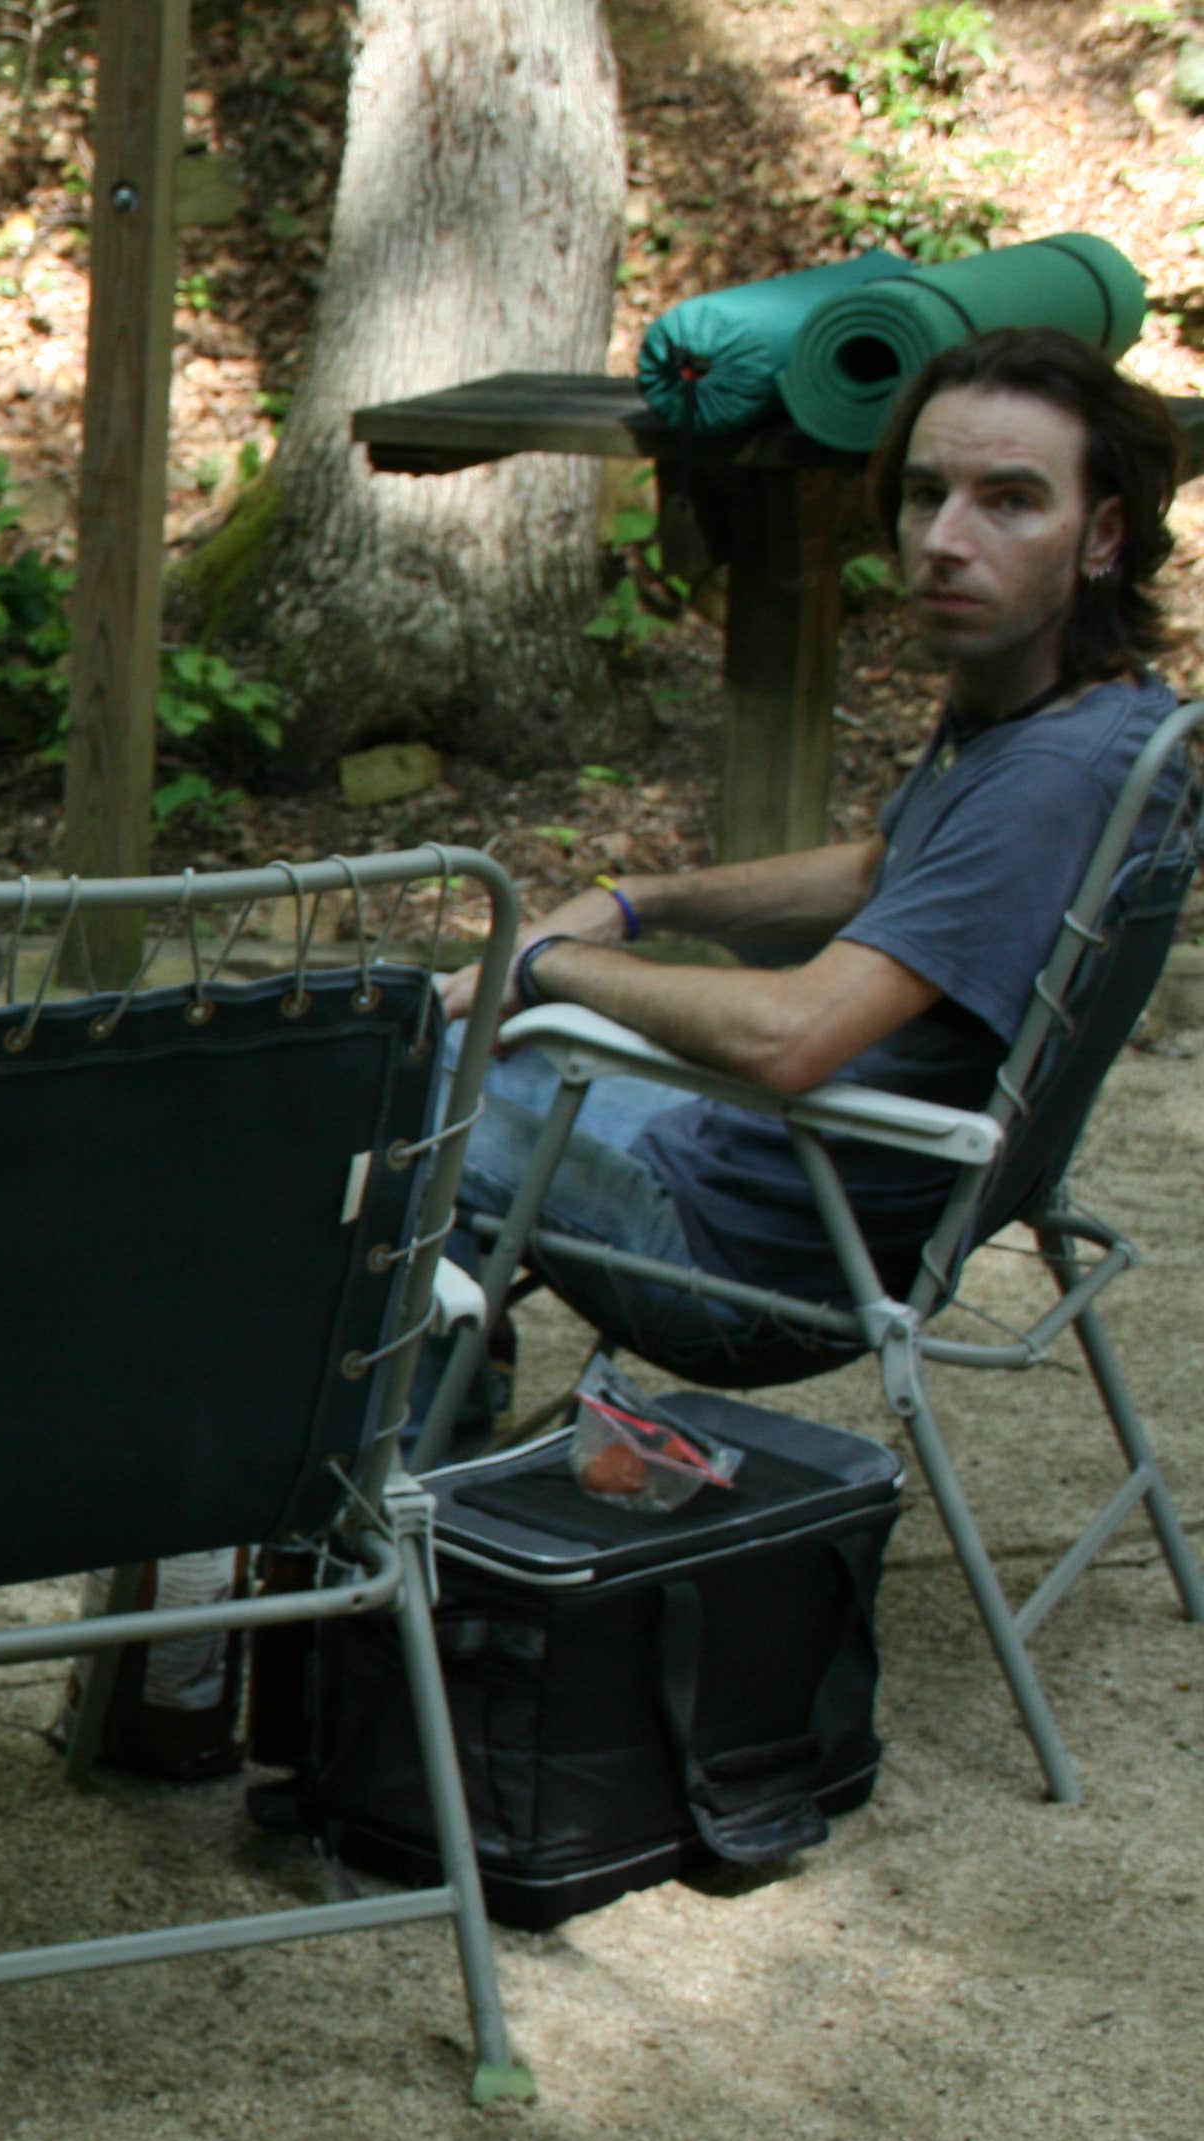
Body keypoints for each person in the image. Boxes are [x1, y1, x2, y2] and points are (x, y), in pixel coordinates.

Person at [432, 325, 1181, 1374]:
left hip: (753, 1262)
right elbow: (885, 873)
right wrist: (637, 900)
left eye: (1010, 501)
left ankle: (375, 1495)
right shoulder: (1074, 710)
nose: (945, 540)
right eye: (927, 496)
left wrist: (548, 968)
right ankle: (446, 1407)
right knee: (452, 1046)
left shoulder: (1050, 780)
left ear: (1102, 535)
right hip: (763, 1170)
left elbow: (794, 1040)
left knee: (366, 1089)